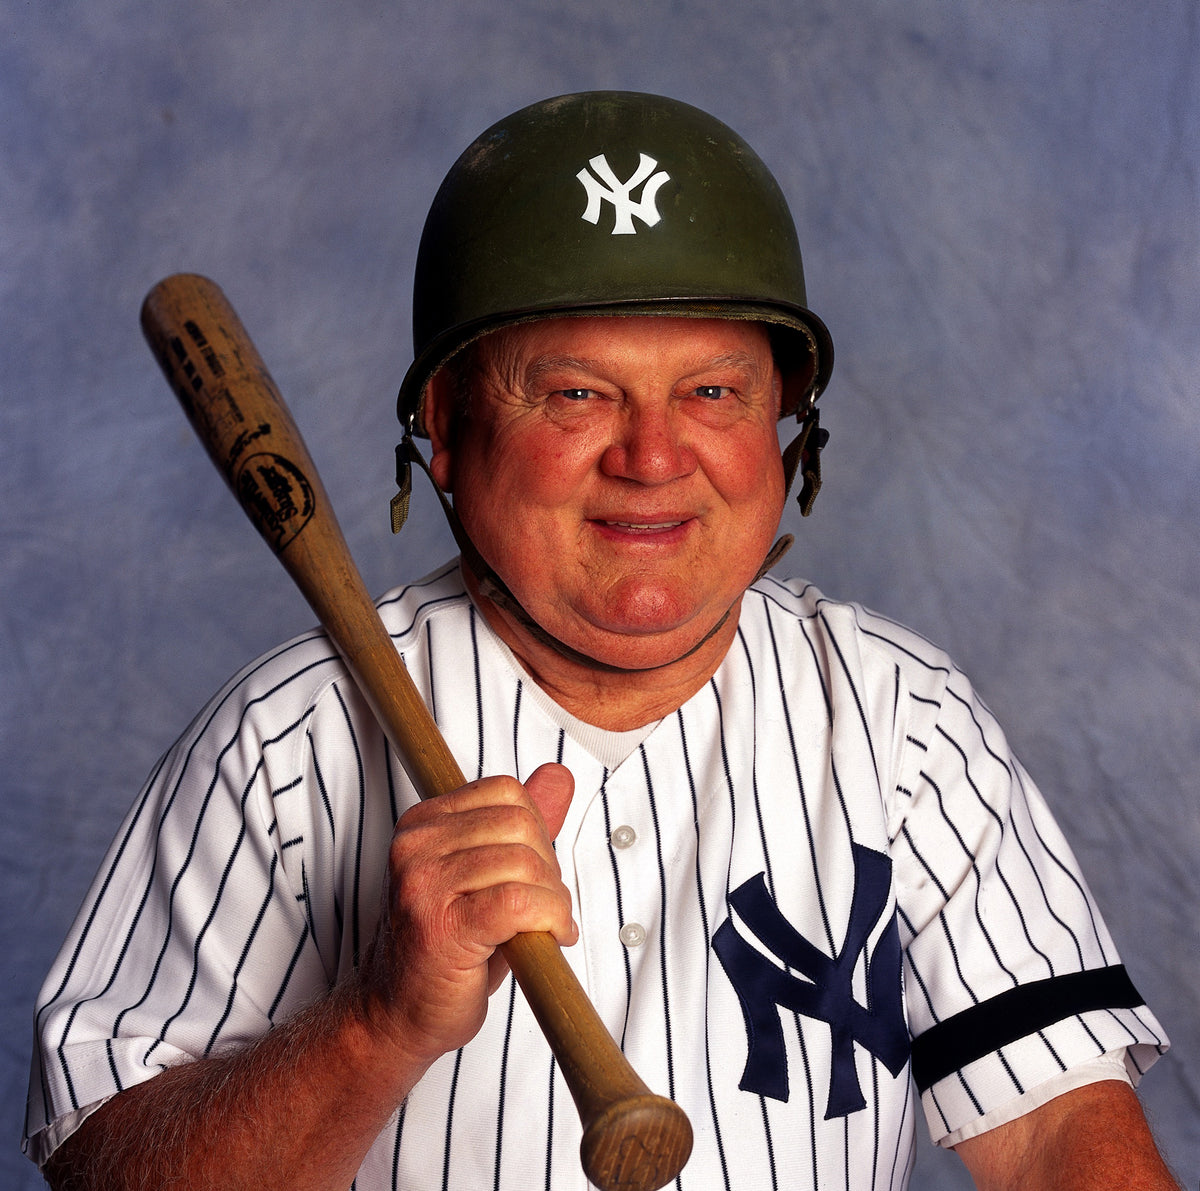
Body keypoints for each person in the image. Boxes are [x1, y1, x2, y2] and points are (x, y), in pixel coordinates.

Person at [25, 91, 1179, 1190]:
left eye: (714, 393)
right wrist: (378, 1021)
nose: (654, 457)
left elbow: (1060, 1128)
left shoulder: (900, 718)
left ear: (789, 429)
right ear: (445, 433)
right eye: (576, 394)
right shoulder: (286, 742)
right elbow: (106, 1171)